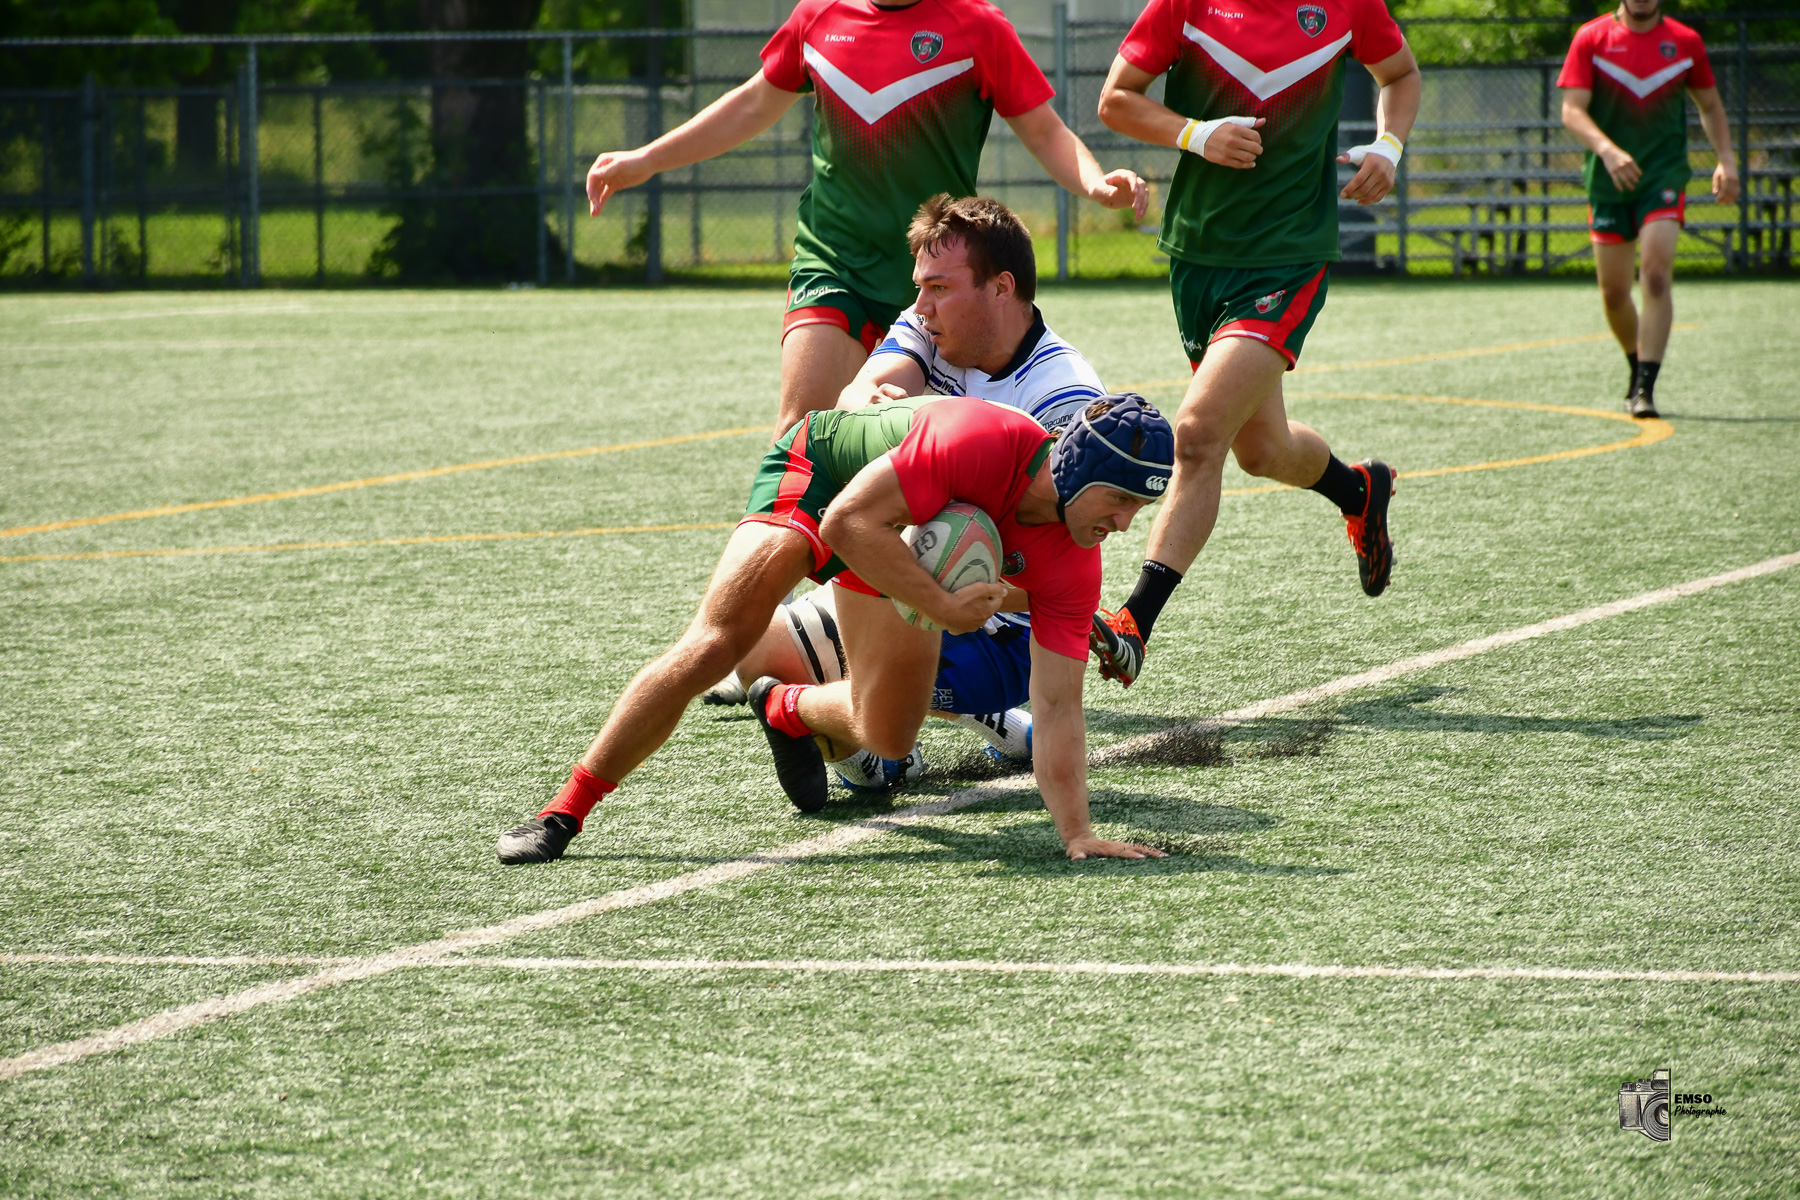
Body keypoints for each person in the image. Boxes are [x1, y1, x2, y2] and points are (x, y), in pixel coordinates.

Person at [496, 393, 1175, 866]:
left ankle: (786, 709)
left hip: (895, 536)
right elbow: (845, 523)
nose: (1124, 524)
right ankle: (564, 810)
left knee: (889, 736)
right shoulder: (980, 441)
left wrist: (1078, 833)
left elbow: (1057, 705)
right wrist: (942, 608)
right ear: (1076, 468)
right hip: (824, 482)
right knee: (716, 644)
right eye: (1119, 499)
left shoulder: (1075, 563)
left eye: (1138, 509)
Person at [583, 0, 1148, 436]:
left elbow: (1044, 129)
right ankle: (787, 554)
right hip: (835, 261)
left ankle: (868, 559)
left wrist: (1095, 184)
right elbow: (752, 104)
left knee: (910, 446)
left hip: (933, 280)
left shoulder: (978, 26)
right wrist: (645, 160)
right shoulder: (818, 17)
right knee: (802, 432)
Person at [702, 194, 1108, 785]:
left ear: (1001, 287)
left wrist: (946, 586)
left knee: (868, 731)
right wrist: (876, 407)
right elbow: (857, 397)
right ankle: (973, 722)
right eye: (921, 287)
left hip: (999, 628)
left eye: (939, 288)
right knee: (751, 646)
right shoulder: (931, 324)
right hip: (916, 570)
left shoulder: (1064, 400)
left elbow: (1054, 569)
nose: (920, 306)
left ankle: (877, 716)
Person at [1085, 0, 1422, 689]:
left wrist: (1389, 146)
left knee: (1197, 434)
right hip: (1198, 256)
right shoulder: (1184, 6)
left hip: (1288, 257)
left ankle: (1134, 623)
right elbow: (1115, 100)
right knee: (1262, 450)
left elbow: (1400, 74)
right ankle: (1359, 489)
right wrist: (1194, 134)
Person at [1558, 0, 1738, 419]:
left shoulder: (1684, 41)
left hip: (1663, 176)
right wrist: (1607, 151)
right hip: (1609, 181)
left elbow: (1710, 105)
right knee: (1614, 293)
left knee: (1655, 276)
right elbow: (1572, 110)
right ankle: (1636, 363)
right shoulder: (1591, 38)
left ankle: (1645, 386)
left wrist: (1726, 159)